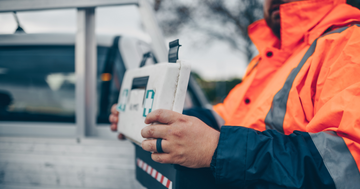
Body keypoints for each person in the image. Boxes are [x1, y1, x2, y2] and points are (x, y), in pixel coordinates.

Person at [109, 0, 360, 188]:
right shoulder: (267, 60)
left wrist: (216, 148)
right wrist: (158, 120)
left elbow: (347, 165)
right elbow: (225, 118)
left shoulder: (352, 43)